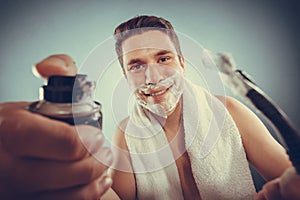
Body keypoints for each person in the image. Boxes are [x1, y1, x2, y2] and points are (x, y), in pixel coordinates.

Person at [0, 15, 299, 200]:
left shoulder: (229, 112)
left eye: (164, 59)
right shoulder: (126, 134)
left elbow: (291, 177)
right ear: (125, 75)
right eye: (137, 65)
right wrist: (71, 178)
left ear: (182, 64)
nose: (153, 77)